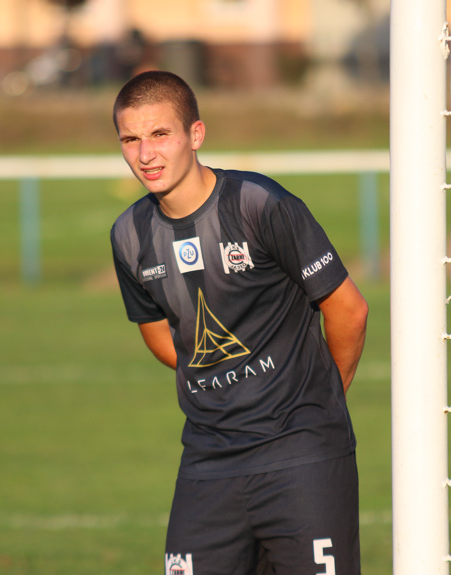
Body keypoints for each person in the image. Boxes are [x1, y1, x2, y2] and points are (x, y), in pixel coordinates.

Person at [109, 70, 368, 575]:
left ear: (195, 135)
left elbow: (348, 308)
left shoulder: (259, 204)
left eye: (160, 134)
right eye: (130, 139)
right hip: (208, 462)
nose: (145, 155)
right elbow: (162, 336)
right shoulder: (129, 236)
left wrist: (320, 398)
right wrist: (216, 368)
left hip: (302, 452)